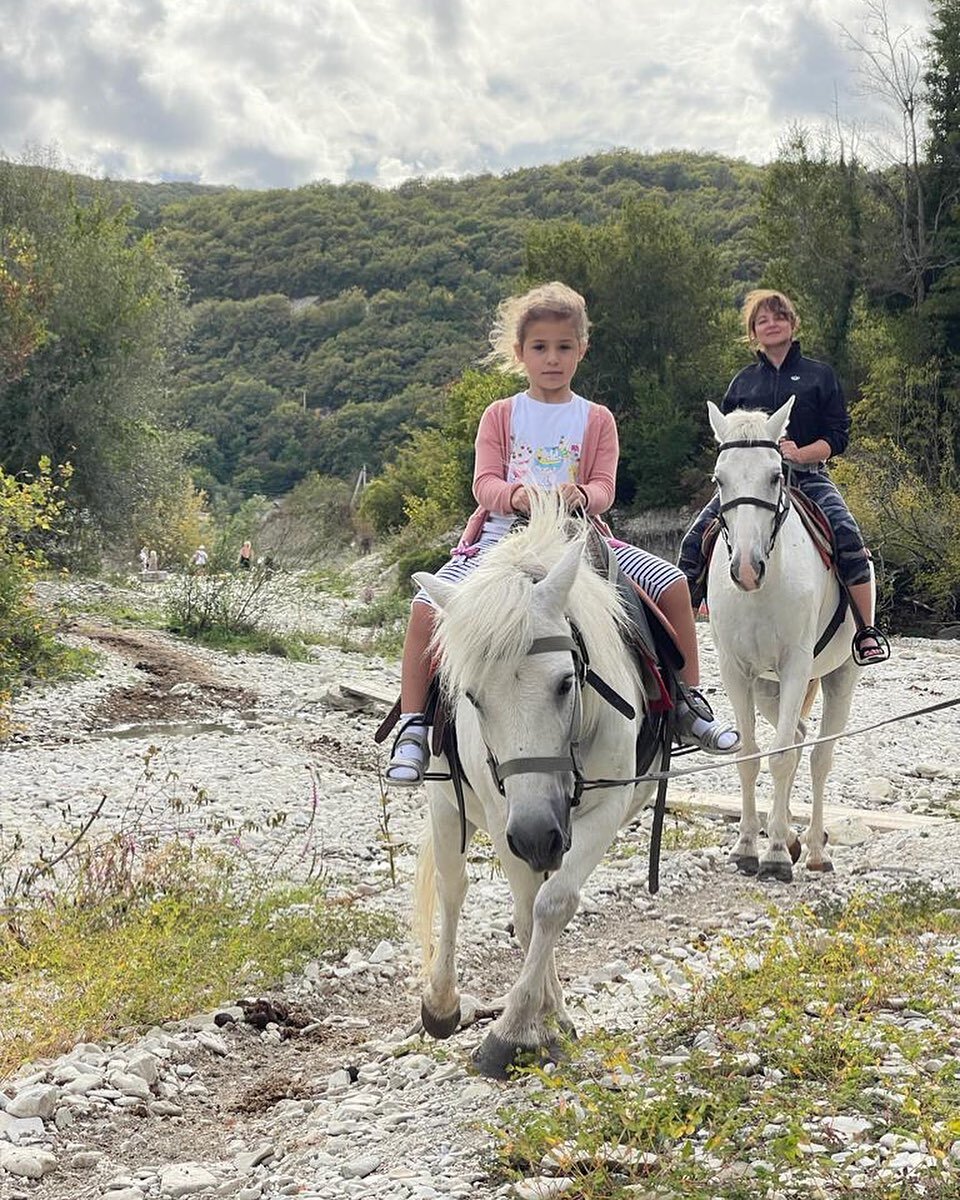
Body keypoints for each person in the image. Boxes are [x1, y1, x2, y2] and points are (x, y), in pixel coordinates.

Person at [386, 281, 740, 786]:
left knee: (672, 585)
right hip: (503, 540)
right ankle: (415, 723)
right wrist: (515, 497)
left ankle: (687, 700)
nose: (552, 359)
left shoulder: (596, 418)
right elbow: (483, 482)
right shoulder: (501, 415)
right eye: (540, 348)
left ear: (582, 350)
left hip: (579, 541)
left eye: (564, 347)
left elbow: (605, 488)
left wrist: (584, 497)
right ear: (520, 353)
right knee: (427, 606)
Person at [678, 288, 886, 662]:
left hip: (806, 477)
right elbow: (728, 442)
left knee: (847, 534)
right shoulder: (741, 384)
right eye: (762, 320)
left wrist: (799, 453)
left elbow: (837, 436)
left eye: (778, 316)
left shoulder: (819, 375)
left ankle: (865, 631)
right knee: (693, 544)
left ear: (792, 324)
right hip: (750, 486)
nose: (771, 324)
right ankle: (681, 627)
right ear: (753, 332)